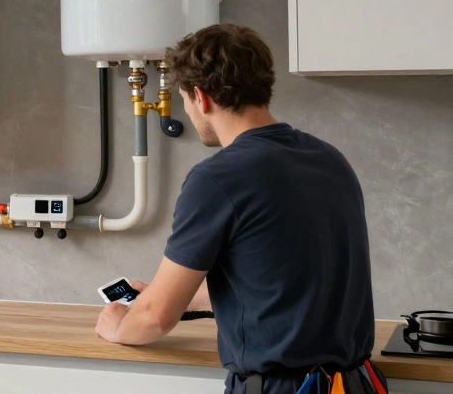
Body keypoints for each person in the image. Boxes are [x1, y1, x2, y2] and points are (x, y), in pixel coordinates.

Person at [94, 24, 377, 394]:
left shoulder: (218, 178)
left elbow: (154, 318)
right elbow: (289, 282)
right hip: (356, 383)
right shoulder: (329, 159)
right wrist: (176, 295)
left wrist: (119, 326)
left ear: (201, 96)